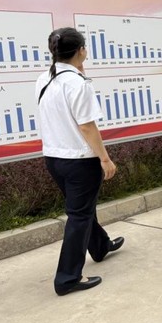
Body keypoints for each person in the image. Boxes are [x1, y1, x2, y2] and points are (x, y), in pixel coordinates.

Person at [36, 27, 122, 296]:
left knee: (82, 208)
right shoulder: (77, 84)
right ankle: (68, 278)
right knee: (80, 215)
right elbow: (87, 126)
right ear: (81, 50)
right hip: (79, 161)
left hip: (54, 158)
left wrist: (79, 71)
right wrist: (105, 158)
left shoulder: (45, 78)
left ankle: (100, 245)